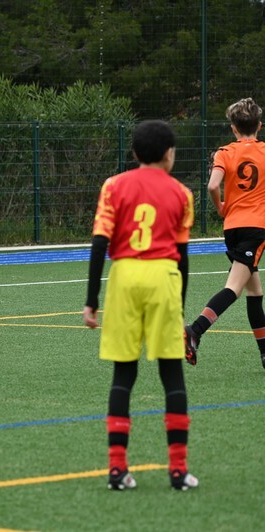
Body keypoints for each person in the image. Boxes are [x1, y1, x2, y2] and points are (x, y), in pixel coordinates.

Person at [83, 120, 198, 491]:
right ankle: (178, 471)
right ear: (169, 155)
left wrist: (91, 301)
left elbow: (99, 244)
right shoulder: (182, 193)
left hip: (125, 277)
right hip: (163, 277)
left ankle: (117, 470)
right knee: (171, 374)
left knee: (124, 374)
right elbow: (183, 257)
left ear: (134, 153)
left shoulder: (113, 186)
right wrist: (179, 311)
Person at [184, 98, 265, 369]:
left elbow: (212, 186)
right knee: (234, 289)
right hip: (256, 228)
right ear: (259, 125)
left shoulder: (224, 152)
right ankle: (195, 330)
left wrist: (220, 206)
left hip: (232, 227)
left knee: (255, 292)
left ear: (233, 128)